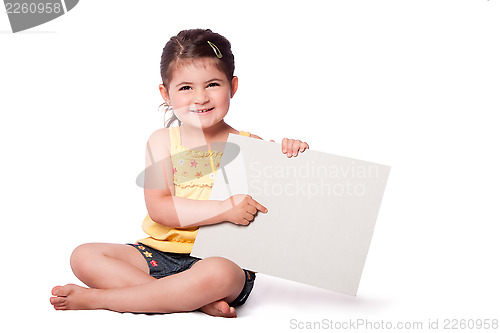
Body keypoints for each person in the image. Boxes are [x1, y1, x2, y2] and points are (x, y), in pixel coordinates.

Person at [50, 28, 309, 318]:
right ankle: (192, 300)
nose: (200, 98)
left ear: (232, 86)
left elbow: (272, 217)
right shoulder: (162, 141)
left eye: (212, 84)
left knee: (219, 273)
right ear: (166, 92)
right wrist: (223, 209)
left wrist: (289, 156)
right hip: (159, 254)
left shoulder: (251, 146)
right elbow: (160, 207)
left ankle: (104, 300)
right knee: (84, 256)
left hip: (218, 261)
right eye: (186, 88)